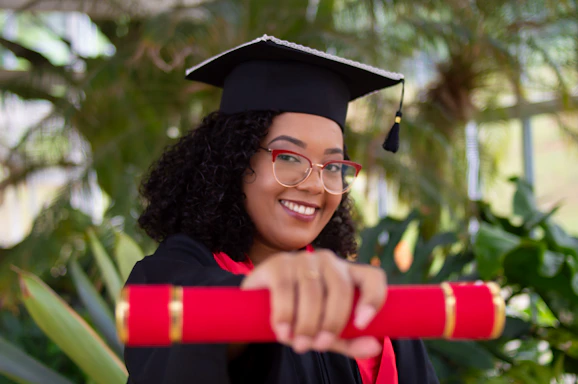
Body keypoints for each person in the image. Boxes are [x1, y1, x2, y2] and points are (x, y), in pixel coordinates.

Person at [124, 35, 439, 384]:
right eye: (288, 158)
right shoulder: (166, 278)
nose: (314, 184)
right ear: (235, 160)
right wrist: (262, 299)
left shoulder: (367, 305)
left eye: (333, 166)